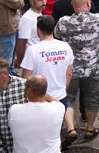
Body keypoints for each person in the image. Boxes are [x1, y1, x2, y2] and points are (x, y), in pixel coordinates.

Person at [54, 0, 99, 141]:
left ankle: (71, 129)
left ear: (72, 5)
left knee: (69, 97)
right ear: (88, 4)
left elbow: (57, 35)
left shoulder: (63, 22)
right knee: (92, 98)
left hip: (70, 69)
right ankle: (90, 129)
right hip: (92, 68)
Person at [17, 16, 74, 145]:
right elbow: (69, 72)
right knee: (56, 133)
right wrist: (63, 88)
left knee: (41, 135)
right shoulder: (65, 46)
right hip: (60, 97)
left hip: (39, 98)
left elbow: (26, 78)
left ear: (38, 30)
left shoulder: (33, 50)